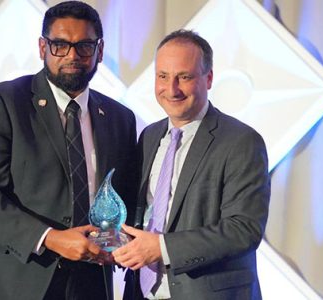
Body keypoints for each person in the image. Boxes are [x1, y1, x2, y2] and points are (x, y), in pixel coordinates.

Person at [0, 2, 137, 299]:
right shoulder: (3, 103)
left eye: (84, 45)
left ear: (99, 50)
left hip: (89, 283)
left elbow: (122, 197)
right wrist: (52, 238)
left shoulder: (119, 118)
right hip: (7, 280)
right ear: (42, 47)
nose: (72, 55)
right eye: (60, 45)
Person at [113, 29, 270, 300]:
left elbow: (243, 229)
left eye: (184, 77)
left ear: (208, 79)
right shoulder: (150, 136)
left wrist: (163, 248)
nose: (171, 89)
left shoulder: (241, 141)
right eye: (163, 76)